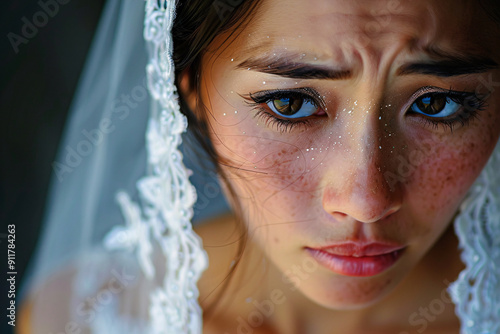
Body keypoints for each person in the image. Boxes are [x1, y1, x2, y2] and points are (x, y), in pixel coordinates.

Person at [19, 0, 500, 333]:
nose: (365, 201)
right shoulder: (85, 318)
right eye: (290, 103)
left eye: (438, 103)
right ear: (191, 94)